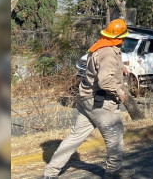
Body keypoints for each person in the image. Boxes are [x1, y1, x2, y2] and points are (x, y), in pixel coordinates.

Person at [43, 19, 129, 179]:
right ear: (119, 38)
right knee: (115, 138)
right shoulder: (109, 53)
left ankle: (50, 172)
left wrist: (121, 68)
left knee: (75, 137)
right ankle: (113, 174)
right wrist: (120, 93)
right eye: (123, 37)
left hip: (87, 101)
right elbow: (105, 81)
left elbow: (98, 68)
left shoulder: (99, 47)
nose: (124, 40)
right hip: (102, 104)